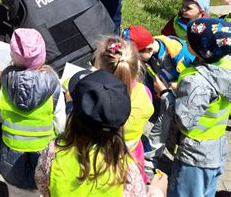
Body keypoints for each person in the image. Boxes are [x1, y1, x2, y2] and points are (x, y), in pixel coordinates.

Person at [35, 70, 167, 196]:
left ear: (74, 116)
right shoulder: (127, 170)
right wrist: (156, 191)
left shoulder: (53, 151)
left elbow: (43, 185)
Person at [153, 18, 230, 197]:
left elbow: (183, 120)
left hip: (195, 154)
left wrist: (164, 93)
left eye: (190, 40)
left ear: (203, 50)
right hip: (216, 148)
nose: (185, 41)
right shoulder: (226, 64)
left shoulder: (196, 80)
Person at [0, 28, 66, 196]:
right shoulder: (53, 84)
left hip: (11, 157)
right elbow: (61, 125)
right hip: (44, 157)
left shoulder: (3, 82)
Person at [122, 25, 195, 176]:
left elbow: (196, 85)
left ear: (148, 49)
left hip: (184, 103)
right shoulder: (150, 51)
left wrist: (169, 86)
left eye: (135, 56)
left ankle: (159, 164)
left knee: (170, 131)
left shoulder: (181, 55)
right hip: (163, 97)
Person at [94, 36, 154, 183]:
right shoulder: (145, 91)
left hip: (103, 156)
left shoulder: (97, 97)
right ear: (137, 66)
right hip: (133, 153)